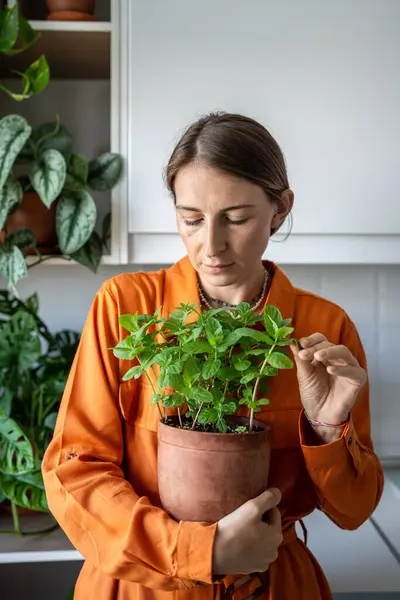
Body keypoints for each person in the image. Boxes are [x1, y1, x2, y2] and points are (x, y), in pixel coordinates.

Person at [42, 112, 384, 600]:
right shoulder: (126, 307)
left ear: (281, 209)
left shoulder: (325, 329)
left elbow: (354, 510)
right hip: (141, 585)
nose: (211, 246)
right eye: (191, 220)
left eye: (237, 218)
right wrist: (200, 551)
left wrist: (328, 429)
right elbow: (76, 471)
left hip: (274, 585)